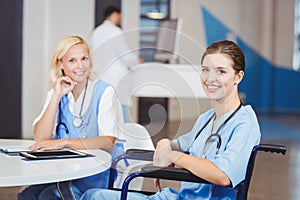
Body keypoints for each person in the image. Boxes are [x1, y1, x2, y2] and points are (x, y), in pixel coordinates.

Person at [79, 40, 261, 200]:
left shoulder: (244, 123)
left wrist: (175, 157)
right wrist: (166, 144)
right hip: (178, 196)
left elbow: (223, 175)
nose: (210, 78)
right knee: (93, 195)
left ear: (238, 76)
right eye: (206, 70)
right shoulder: (207, 119)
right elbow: (178, 144)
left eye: (221, 71)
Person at [18, 35, 124, 200]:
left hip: (98, 173)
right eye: (72, 61)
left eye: (84, 59)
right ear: (60, 64)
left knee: (49, 196)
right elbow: (41, 138)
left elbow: (108, 142)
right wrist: (56, 97)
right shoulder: (57, 93)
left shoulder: (104, 92)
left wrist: (65, 142)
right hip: (66, 172)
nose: (80, 66)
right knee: (27, 195)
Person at [91, 5, 143, 122]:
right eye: (120, 17)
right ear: (114, 15)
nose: (120, 19)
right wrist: (137, 61)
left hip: (100, 78)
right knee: (121, 118)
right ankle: (122, 140)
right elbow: (126, 56)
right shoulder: (115, 31)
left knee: (105, 116)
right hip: (116, 79)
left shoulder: (96, 32)